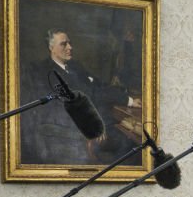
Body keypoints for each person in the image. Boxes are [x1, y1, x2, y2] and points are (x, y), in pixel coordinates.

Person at [21, 28, 142, 165]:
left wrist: (125, 95)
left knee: (132, 136)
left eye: (70, 43)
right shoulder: (46, 72)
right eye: (63, 44)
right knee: (131, 143)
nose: (70, 47)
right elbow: (89, 95)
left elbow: (98, 85)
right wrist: (127, 101)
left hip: (98, 120)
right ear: (51, 48)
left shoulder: (74, 65)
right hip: (77, 131)